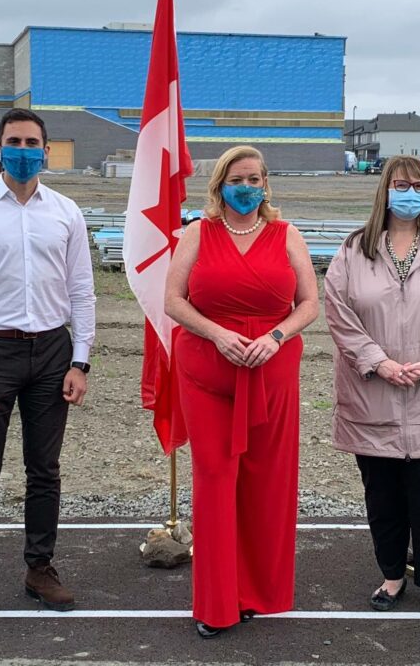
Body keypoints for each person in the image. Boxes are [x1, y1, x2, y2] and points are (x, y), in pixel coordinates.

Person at [0, 109, 96, 631]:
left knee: (44, 470)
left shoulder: (67, 213)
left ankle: (39, 568)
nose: (24, 149)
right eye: (15, 141)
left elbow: (81, 291)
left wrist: (81, 360)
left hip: (53, 351)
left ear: (47, 150)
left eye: (33, 141)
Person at [165, 145, 319, 638]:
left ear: (266, 184)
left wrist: (275, 337)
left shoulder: (286, 233)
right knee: (215, 480)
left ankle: (257, 593)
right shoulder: (198, 232)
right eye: (238, 179)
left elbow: (309, 303)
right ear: (219, 186)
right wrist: (216, 333)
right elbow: (172, 300)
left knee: (265, 482)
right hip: (209, 371)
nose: (247, 187)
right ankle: (216, 602)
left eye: (255, 178)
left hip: (270, 369)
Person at [324, 155, 420, 623]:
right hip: (372, 393)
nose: (408, 192)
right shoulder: (355, 249)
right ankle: (392, 575)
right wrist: (379, 362)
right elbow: (338, 312)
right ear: (384, 190)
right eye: (399, 184)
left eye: (417, 185)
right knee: (384, 495)